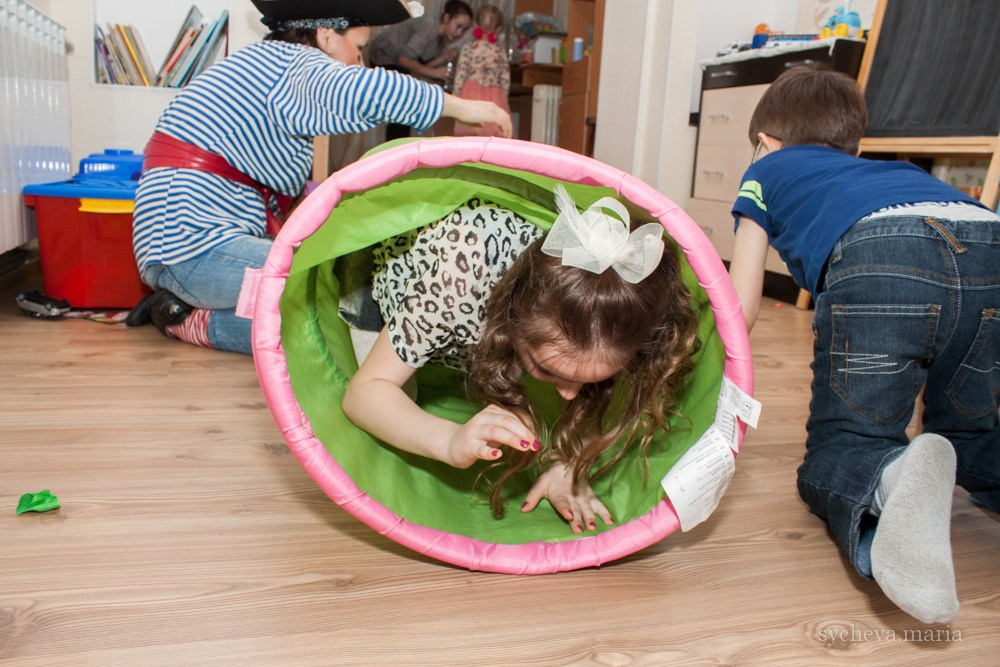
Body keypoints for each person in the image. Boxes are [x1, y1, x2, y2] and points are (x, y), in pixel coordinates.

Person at [727, 67, 1000, 624]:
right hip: (989, 239)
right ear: (852, 144)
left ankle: (887, 479)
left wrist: (697, 356)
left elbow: (742, 304)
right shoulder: (892, 169)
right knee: (970, 431)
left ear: (763, 142)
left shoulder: (766, 170)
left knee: (845, 447)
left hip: (886, 254)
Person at [126, 0, 511, 354]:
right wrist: (465, 107)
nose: (358, 64)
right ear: (326, 37)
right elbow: (365, 90)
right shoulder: (294, 65)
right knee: (330, 308)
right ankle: (189, 321)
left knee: (326, 303)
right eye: (357, 51)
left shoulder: (270, 66)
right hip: (191, 249)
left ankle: (182, 307)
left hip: (181, 246)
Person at [341, 185, 700, 532]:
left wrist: (569, 463)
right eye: (548, 369)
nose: (569, 395)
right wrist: (451, 440)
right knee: (399, 408)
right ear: (513, 315)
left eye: (593, 379)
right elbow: (364, 394)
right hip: (386, 280)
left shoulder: (604, 313)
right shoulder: (459, 275)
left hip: (477, 312)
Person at [368, 0, 473, 141]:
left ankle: (399, 147)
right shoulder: (429, 27)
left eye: (464, 29)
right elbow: (404, 60)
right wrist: (436, 73)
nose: (459, 32)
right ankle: (397, 148)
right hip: (383, 56)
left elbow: (418, 66)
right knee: (402, 106)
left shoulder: (442, 40)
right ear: (447, 18)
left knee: (403, 109)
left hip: (397, 63)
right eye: (458, 26)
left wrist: (442, 58)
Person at [451, 4, 511, 137]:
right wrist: (503, 98)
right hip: (494, 97)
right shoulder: (499, 50)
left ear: (475, 24)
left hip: (469, 95)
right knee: (491, 138)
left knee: (468, 138)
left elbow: (460, 75)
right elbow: (505, 79)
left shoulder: (468, 48)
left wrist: (455, 98)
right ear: (499, 29)